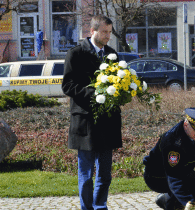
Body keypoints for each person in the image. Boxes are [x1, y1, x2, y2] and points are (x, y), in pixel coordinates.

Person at [62, 15, 121, 210]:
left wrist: (123, 92)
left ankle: (100, 206)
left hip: (108, 122)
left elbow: (118, 84)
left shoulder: (112, 54)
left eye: (110, 32)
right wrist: (94, 94)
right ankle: (87, 208)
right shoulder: (76, 54)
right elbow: (68, 85)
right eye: (104, 32)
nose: (108, 36)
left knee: (105, 173)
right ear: (92, 31)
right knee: (86, 175)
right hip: (85, 121)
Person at [143, 107, 195, 210]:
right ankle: (169, 203)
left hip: (183, 173)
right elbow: (174, 178)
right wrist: (189, 203)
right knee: (186, 195)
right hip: (157, 177)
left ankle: (166, 199)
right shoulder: (172, 142)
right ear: (186, 125)